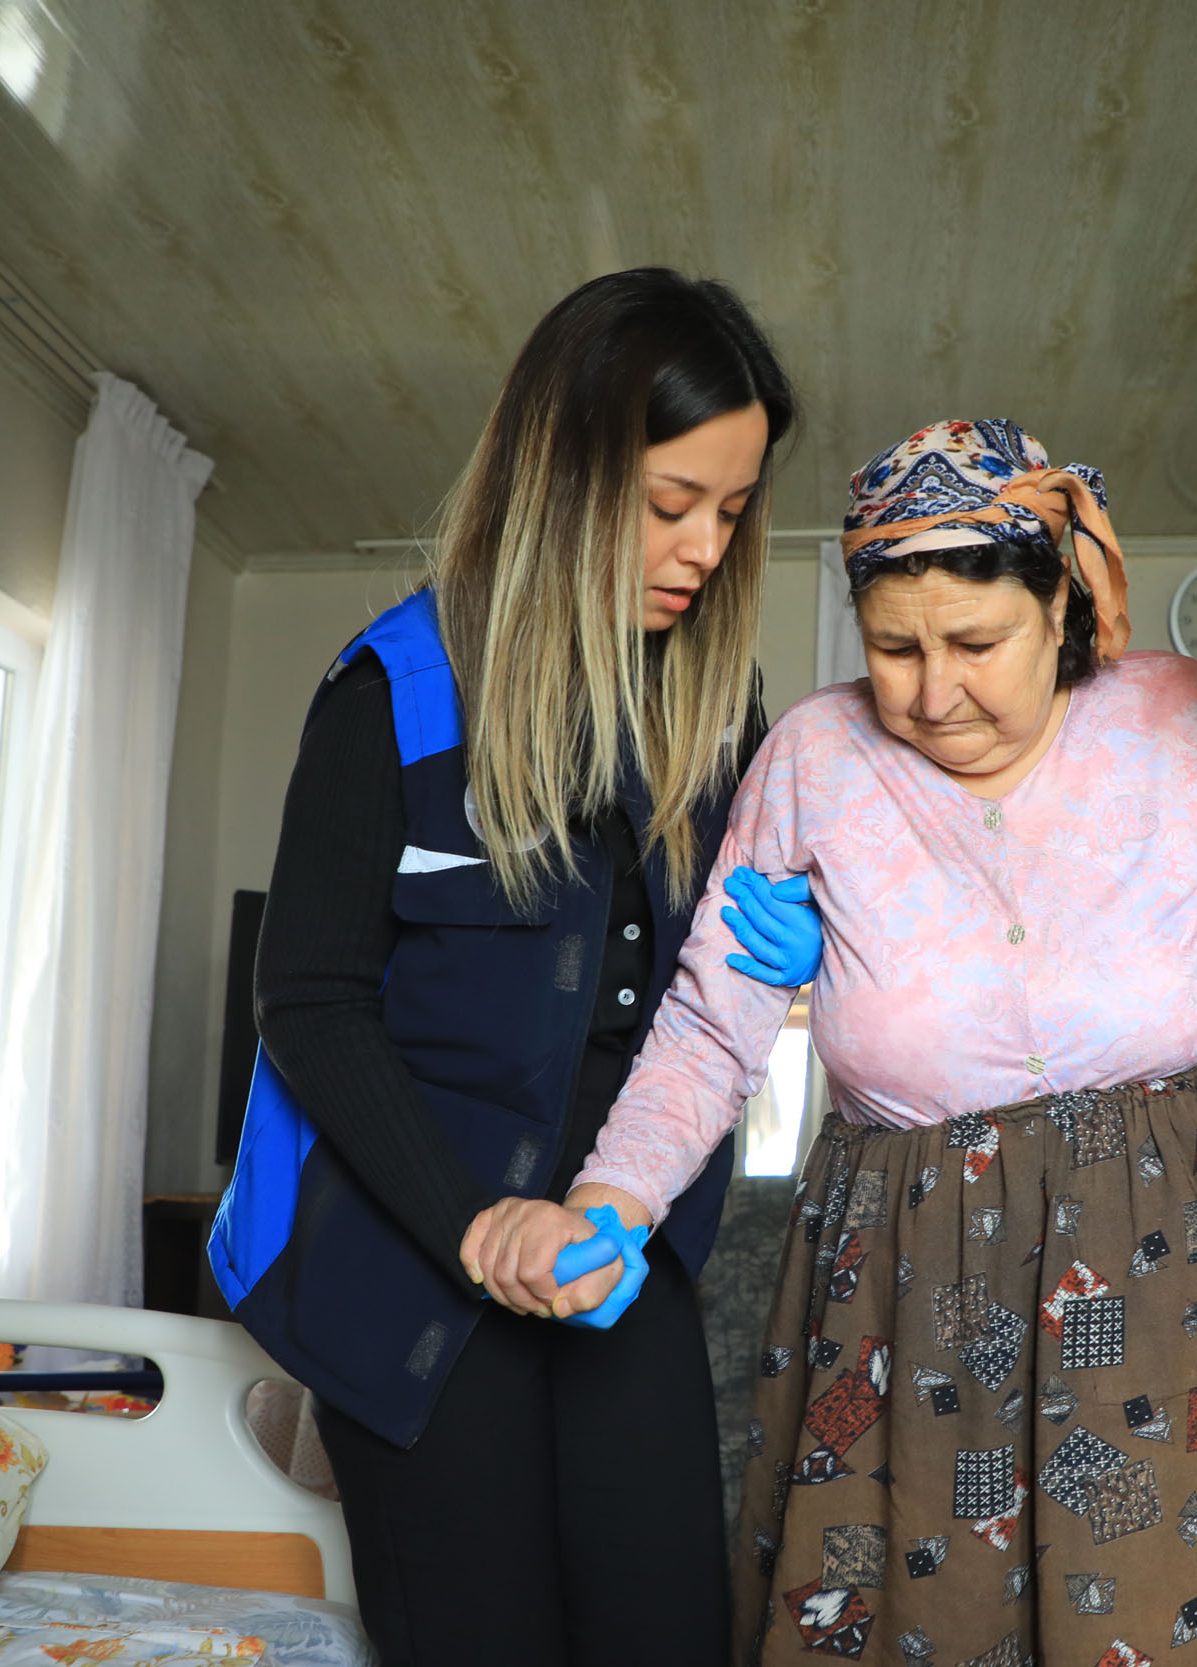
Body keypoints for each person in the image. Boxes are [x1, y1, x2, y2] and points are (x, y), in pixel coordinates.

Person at [488, 418, 1197, 1665]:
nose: (932, 691)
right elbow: (713, 1019)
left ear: (1063, 614)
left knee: (1173, 1613)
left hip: (1185, 1251)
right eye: (893, 648)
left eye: (977, 643)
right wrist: (611, 1197)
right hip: (912, 1256)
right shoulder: (815, 753)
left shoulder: (1181, 714)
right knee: (920, 1620)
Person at [205, 268, 822, 1667]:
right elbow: (307, 998)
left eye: (732, 511)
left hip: (621, 1247)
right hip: (413, 1250)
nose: (706, 548)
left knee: (665, 1622)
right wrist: (478, 1224)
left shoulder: (725, 715)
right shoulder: (395, 696)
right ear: (566, 470)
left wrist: (804, 967)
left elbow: (710, 1003)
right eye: (673, 504)